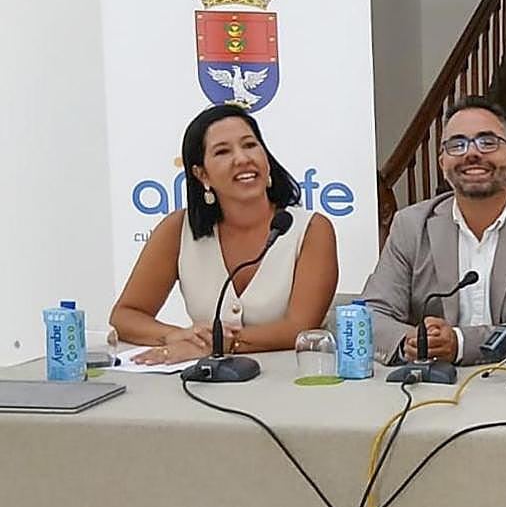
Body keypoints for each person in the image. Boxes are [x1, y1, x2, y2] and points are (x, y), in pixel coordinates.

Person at [362, 96, 506, 366]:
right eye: (457, 144)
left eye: (488, 142)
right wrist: (414, 340)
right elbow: (372, 313)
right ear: (442, 163)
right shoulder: (410, 225)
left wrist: (460, 343)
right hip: (432, 387)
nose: (472, 153)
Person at [110, 105, 338, 364]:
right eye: (223, 151)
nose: (242, 159)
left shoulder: (311, 229)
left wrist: (221, 345)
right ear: (202, 174)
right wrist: (179, 336)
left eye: (250, 145)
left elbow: (300, 328)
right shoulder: (177, 229)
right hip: (205, 384)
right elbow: (126, 315)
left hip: (290, 383)